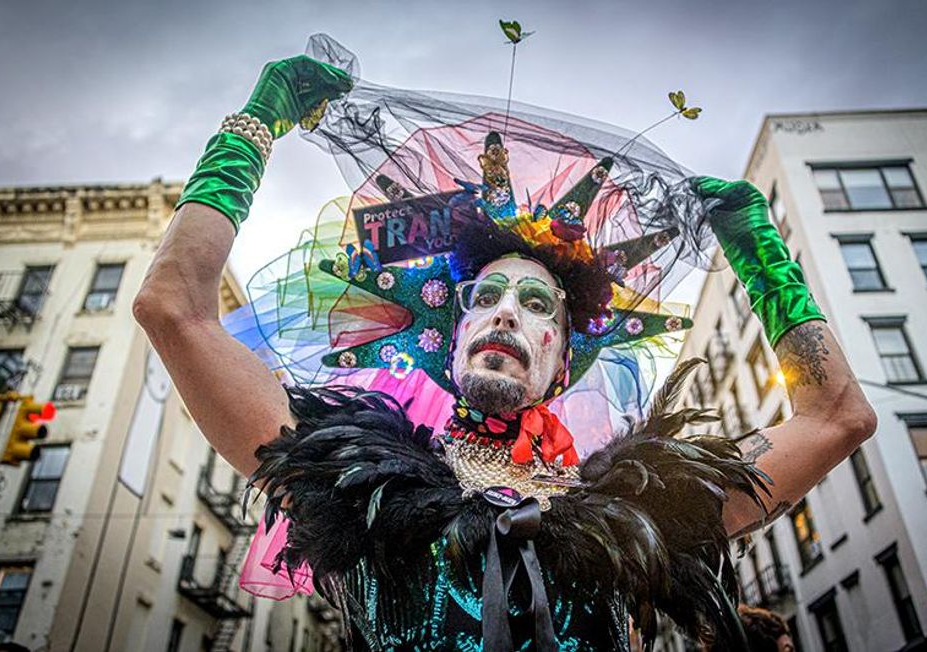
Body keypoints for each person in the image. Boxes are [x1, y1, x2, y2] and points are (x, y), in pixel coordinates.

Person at [134, 35, 875, 651]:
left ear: (563, 357)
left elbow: (837, 418)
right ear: (451, 341)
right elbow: (174, 309)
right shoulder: (357, 483)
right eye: (484, 298)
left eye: (533, 304)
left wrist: (763, 257)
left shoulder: (644, 510)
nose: (504, 314)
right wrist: (257, 123)